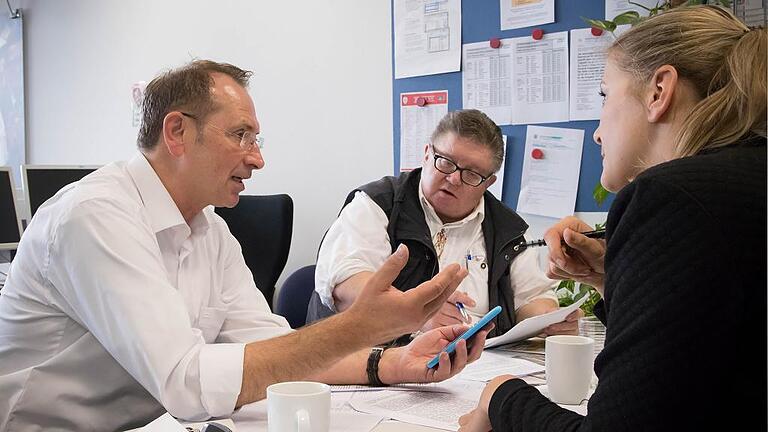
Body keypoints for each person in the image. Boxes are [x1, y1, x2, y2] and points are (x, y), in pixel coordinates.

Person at [0, 60, 493, 431]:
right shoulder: (94, 216)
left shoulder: (209, 230)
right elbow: (188, 384)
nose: (257, 159)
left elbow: (267, 347)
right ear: (177, 132)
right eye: (241, 135)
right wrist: (355, 328)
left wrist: (390, 363)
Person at [458, 5, 766, 431]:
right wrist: (611, 279)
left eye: (604, 96)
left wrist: (500, 397)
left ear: (659, 91)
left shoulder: (673, 196)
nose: (598, 132)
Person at [306, 109, 581, 339]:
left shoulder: (509, 230)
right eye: (446, 163)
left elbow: (532, 298)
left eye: (472, 174)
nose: (454, 179)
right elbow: (345, 285)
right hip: (371, 366)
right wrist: (415, 313)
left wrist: (548, 320)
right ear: (426, 154)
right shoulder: (377, 204)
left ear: (489, 183)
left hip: (475, 371)